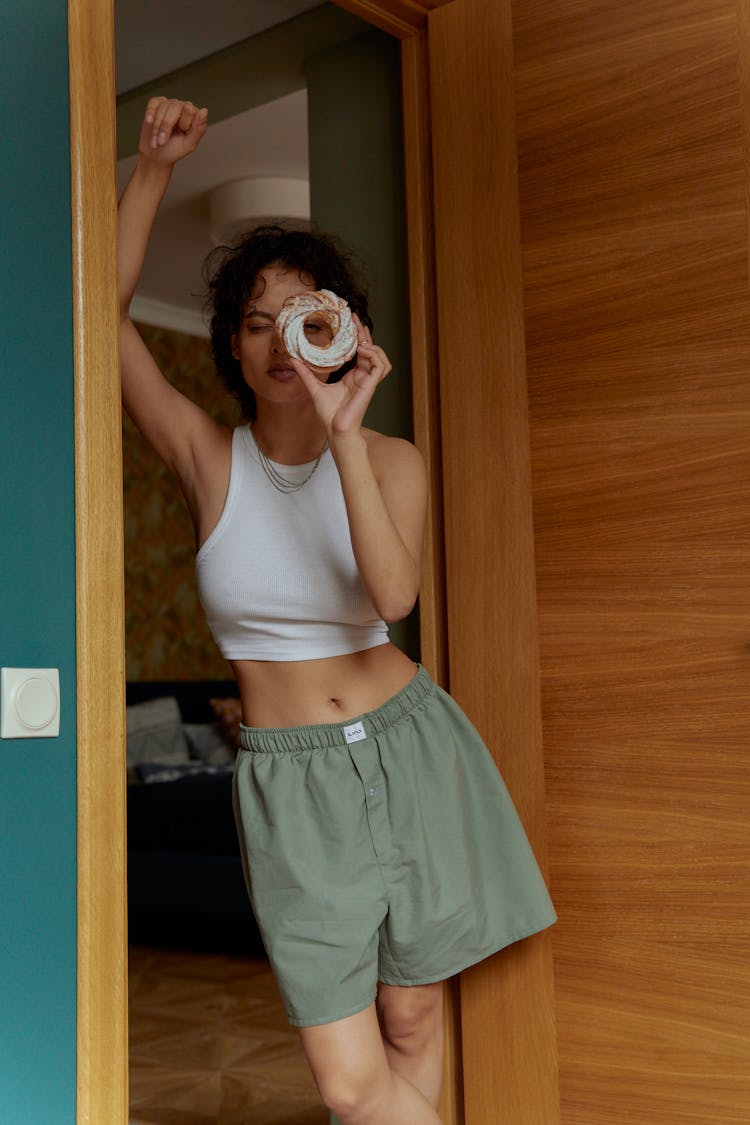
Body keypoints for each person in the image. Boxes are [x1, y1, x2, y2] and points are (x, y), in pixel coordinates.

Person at [119, 96, 556, 1125]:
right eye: (256, 322)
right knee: (352, 1086)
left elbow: (393, 597)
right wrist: (151, 172)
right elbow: (100, 315)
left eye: (305, 318)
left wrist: (346, 436)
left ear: (343, 332)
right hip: (290, 782)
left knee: (413, 1022)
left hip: (412, 748)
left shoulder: (389, 459)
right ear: (229, 342)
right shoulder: (203, 457)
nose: (280, 342)